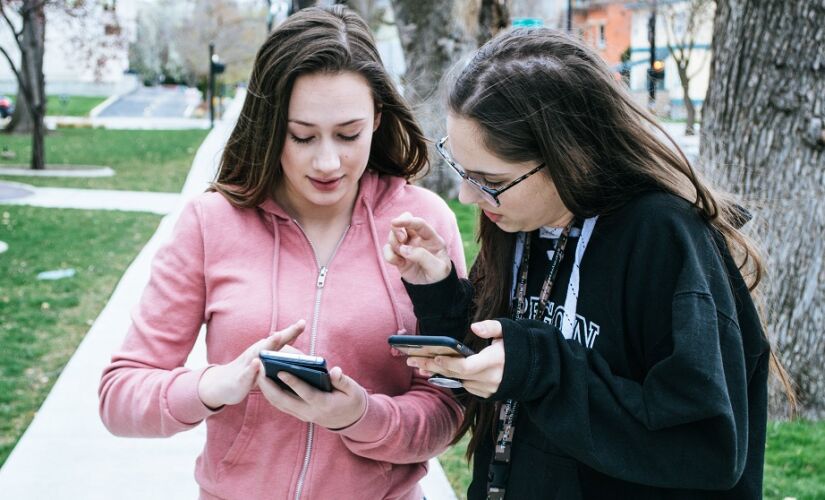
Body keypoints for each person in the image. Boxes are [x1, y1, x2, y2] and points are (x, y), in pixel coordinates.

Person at [384, 27, 792, 499]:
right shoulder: (519, 219)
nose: (467, 196)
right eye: (459, 167)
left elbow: (705, 445)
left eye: (488, 179)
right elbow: (502, 372)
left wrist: (541, 368)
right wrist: (440, 291)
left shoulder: (663, 237)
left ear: (568, 157)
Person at [99, 6, 466, 500]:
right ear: (271, 125)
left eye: (348, 133)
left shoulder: (424, 224)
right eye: (302, 136)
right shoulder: (210, 222)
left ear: (378, 118)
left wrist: (361, 416)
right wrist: (215, 386)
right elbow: (120, 396)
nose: (328, 161)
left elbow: (451, 405)